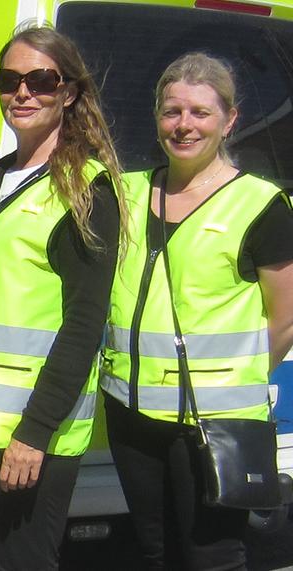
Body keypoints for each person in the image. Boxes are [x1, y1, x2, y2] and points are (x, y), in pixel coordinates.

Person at [0, 26, 123, 569]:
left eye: (41, 81)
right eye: (9, 80)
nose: (23, 93)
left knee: (22, 563)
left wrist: (33, 435)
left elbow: (84, 326)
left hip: (35, 438)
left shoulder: (84, 189)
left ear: (70, 92)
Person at [100, 52, 293, 570]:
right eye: (172, 112)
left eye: (200, 113)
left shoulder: (260, 204)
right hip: (130, 412)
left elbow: (286, 319)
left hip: (213, 423)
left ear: (229, 120)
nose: (183, 125)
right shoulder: (129, 192)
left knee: (212, 556)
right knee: (153, 550)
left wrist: (231, 383)